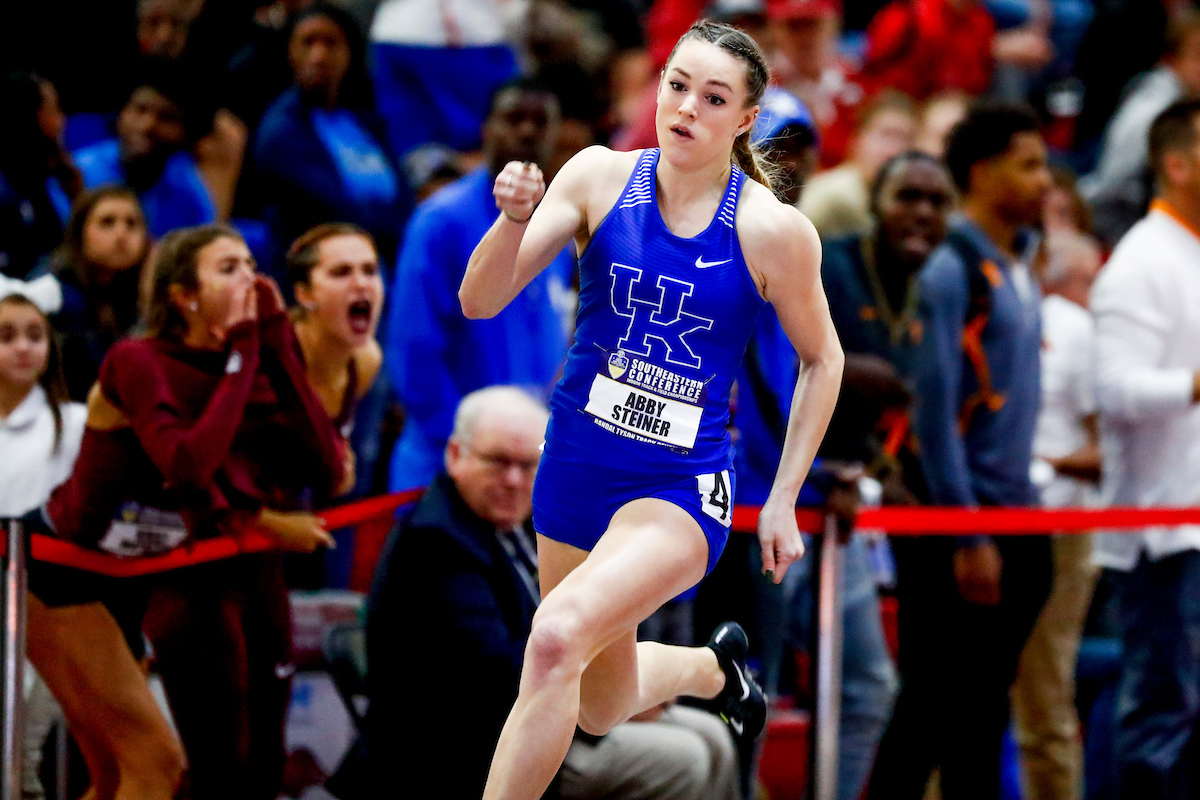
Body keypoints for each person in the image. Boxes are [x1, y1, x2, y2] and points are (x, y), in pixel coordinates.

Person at [459, 20, 844, 800]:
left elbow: (823, 358)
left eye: (713, 98)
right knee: (599, 703)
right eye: (677, 85)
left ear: (743, 120)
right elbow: (480, 299)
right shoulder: (598, 177)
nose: (687, 109)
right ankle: (712, 668)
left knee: (555, 638)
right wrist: (510, 221)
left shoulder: (772, 230)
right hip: (573, 466)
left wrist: (782, 499)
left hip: (678, 485)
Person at [26, 224, 347, 800]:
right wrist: (247, 354)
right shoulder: (137, 359)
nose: (250, 279)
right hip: (67, 578)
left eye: (252, 264)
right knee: (154, 763)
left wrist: (273, 348)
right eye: (228, 268)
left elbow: (327, 472)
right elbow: (188, 468)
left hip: (148, 576)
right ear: (183, 294)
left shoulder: (245, 362)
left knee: (121, 776)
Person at [367, 386, 742, 800]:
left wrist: (620, 683)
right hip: (467, 740)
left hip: (554, 696)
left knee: (715, 737)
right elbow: (494, 674)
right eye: (497, 462)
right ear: (456, 456)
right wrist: (613, 691)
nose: (513, 481)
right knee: (684, 759)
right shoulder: (435, 542)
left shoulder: (529, 523)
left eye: (528, 465)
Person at [866, 101, 1053, 800]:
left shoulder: (1021, 260)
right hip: (963, 525)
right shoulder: (953, 269)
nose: (1045, 181)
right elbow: (932, 419)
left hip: (1015, 517)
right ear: (981, 171)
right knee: (929, 708)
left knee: (981, 711)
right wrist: (967, 534)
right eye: (1028, 165)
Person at [385, 78, 575, 492]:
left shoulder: (557, 227)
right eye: (513, 119)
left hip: (519, 470)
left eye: (540, 122)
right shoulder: (441, 221)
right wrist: (469, 449)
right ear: (486, 130)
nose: (527, 132)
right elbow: (413, 352)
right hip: (449, 466)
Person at [1091, 98, 1200, 800]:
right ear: (1176, 163)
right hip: (1163, 533)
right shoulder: (1141, 260)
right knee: (1166, 714)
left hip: (1188, 524)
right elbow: (1115, 391)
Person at [1010, 230, 1102, 800]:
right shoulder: (983, 307)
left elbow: (1107, 450)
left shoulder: (1076, 329)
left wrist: (1042, 463)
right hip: (991, 522)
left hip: (1061, 528)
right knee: (958, 696)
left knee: (1044, 698)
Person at [0, 290, 86, 800]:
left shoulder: (73, 425)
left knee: (24, 749)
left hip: (49, 609)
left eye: (35, 336)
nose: (23, 349)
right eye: (7, 337)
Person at [255, 3, 409, 272]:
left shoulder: (365, 119)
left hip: (383, 257)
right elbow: (339, 212)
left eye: (331, 43)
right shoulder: (280, 130)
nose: (319, 55)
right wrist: (407, 226)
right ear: (289, 52)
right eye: (308, 43)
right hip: (315, 272)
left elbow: (402, 189)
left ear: (350, 53)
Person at [1081, 12, 1200, 247]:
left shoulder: (1189, 106)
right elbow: (1109, 187)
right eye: (1198, 56)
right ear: (1171, 60)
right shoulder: (1148, 111)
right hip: (1121, 233)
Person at [72, 67, 218, 238]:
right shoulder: (81, 170)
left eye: (166, 117)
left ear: (186, 132)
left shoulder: (188, 188)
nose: (147, 125)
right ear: (121, 113)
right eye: (140, 110)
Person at [51, 186, 151, 402]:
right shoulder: (52, 294)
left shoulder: (142, 295)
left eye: (132, 224)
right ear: (79, 232)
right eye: (107, 222)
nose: (122, 234)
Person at [800, 91, 917, 240]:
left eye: (904, 139)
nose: (893, 150)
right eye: (887, 135)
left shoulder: (900, 203)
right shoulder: (833, 194)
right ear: (858, 139)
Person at [0, 71, 81, 279]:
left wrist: (77, 198)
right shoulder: (6, 191)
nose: (62, 122)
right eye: (54, 110)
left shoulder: (43, 182)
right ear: (27, 116)